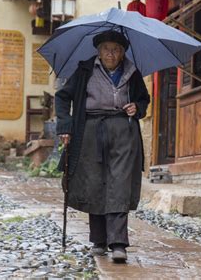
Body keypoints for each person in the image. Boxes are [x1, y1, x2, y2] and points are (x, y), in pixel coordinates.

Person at [55, 30, 150, 263]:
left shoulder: (132, 72)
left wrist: (136, 107)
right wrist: (65, 126)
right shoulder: (85, 69)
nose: (111, 53)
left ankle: (118, 243)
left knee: (120, 183)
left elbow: (143, 99)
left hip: (123, 131)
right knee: (95, 183)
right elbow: (62, 96)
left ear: (123, 53)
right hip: (90, 129)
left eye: (116, 49)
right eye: (107, 48)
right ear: (98, 51)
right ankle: (99, 240)